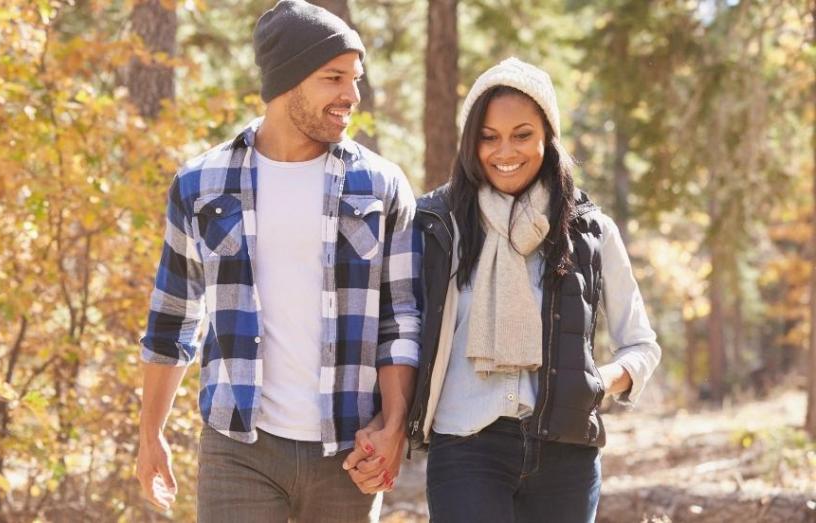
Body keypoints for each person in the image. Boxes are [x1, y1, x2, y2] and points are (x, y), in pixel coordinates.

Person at [135, 1, 421, 521]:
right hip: (238, 446)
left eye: (355, 79)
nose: (351, 96)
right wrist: (150, 433)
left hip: (349, 447)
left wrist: (393, 424)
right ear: (286, 82)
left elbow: (401, 318)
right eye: (333, 78)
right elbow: (174, 316)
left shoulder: (380, 185)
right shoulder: (202, 183)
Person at [404, 57, 662, 522]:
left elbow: (641, 344)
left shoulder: (590, 231)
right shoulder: (437, 225)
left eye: (522, 134)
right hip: (466, 447)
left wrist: (603, 381)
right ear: (470, 142)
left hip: (566, 454)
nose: (505, 150)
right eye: (489, 136)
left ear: (548, 136)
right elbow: (401, 329)